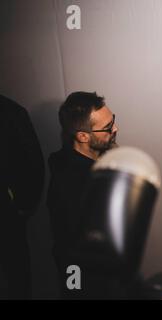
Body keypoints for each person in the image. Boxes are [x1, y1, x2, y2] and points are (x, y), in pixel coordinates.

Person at [46, 91, 118, 298]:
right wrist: (75, 289)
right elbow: (70, 252)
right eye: (108, 128)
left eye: (113, 121)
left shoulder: (102, 158)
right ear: (83, 136)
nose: (115, 129)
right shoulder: (69, 184)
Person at [0, 95, 45, 299]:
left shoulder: (10, 112)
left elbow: (33, 164)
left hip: (7, 217)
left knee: (15, 275)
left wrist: (20, 205)